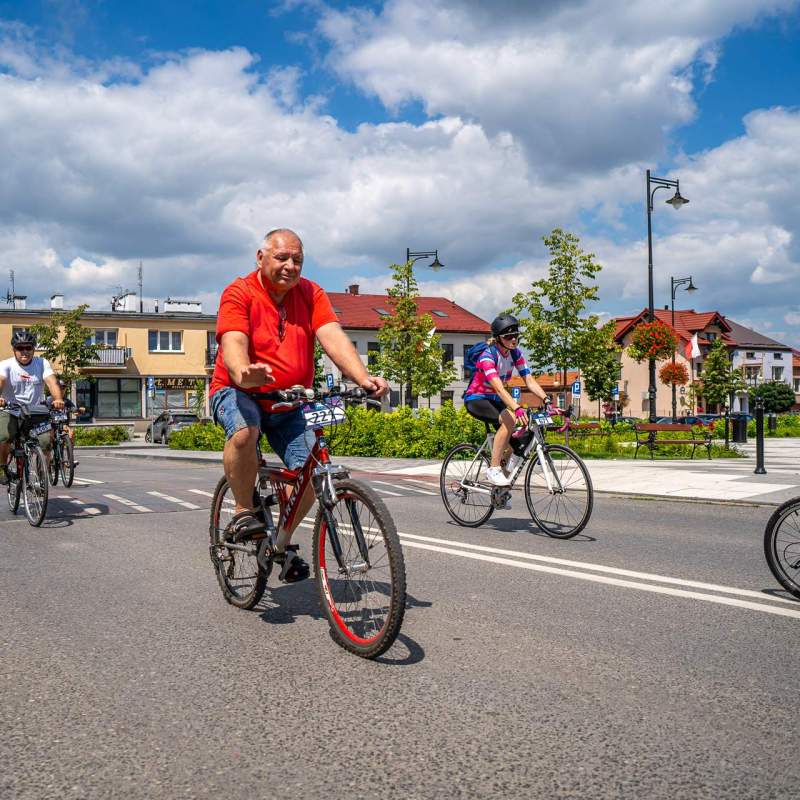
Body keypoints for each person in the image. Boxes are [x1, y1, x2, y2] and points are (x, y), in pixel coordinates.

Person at [210, 228, 388, 581]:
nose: (290, 266)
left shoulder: (310, 293)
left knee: (311, 469)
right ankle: (244, 510)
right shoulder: (239, 292)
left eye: (298, 260)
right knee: (245, 431)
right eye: (282, 258)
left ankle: (282, 542)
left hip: (290, 400)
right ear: (261, 258)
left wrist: (363, 379)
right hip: (239, 392)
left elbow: (332, 336)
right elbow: (233, 342)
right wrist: (243, 372)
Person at [463, 314, 548, 487]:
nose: (514, 339)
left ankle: (502, 489)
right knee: (509, 419)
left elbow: (529, 380)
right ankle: (494, 469)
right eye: (508, 336)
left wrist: (546, 399)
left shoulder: (515, 354)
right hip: (477, 399)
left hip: (494, 400)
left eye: (516, 335)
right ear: (498, 338)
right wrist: (516, 408)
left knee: (521, 444)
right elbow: (499, 388)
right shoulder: (488, 356)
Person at [0, 330, 64, 482]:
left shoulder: (41, 363)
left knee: (46, 442)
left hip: (35, 411)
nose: (24, 351)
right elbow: (1, 381)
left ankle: (43, 473)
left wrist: (58, 399)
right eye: (20, 348)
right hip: (11, 410)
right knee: (4, 437)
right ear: (14, 350)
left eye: (28, 348)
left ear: (33, 349)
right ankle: (2, 467)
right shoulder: (5, 365)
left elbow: (52, 382)